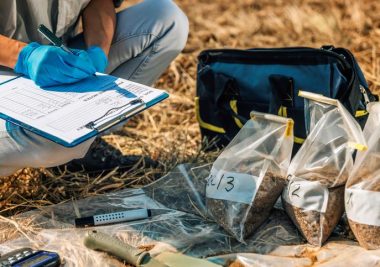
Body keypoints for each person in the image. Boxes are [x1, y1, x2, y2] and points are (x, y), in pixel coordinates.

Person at [0, 0, 189, 176]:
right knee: (61, 139)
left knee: (166, 19)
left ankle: (82, 149)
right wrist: (23, 56)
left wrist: (98, 50)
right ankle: (65, 147)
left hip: (61, 62)